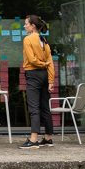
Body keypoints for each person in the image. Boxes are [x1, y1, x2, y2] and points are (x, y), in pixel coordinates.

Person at [20, 14, 56, 150]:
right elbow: (50, 63)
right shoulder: (44, 40)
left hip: (33, 74)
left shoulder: (28, 39)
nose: (25, 26)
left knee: (34, 107)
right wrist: (51, 80)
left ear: (33, 26)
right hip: (45, 75)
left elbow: (31, 60)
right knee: (45, 107)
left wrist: (43, 63)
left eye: (26, 24)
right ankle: (48, 138)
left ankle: (33, 139)